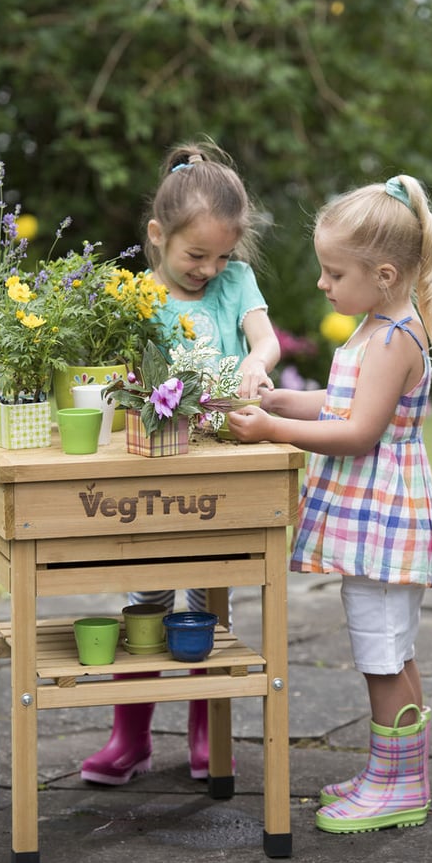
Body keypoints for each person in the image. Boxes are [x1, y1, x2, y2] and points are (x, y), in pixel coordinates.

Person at [227, 174, 432, 834]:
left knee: (381, 655)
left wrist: (273, 432)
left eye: (333, 273)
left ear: (383, 274)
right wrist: (280, 402)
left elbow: (357, 432)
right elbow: (342, 404)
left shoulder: (389, 338)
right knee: (391, 651)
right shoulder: (382, 325)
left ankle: (401, 785)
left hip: (383, 524)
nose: (323, 285)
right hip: (382, 520)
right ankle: (391, 772)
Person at [80, 141, 280, 786]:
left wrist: (257, 361)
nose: (210, 268)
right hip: (156, 463)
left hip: (217, 462)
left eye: (223, 255)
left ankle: (206, 733)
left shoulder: (234, 283)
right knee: (147, 594)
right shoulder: (138, 296)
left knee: (208, 599)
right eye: (197, 255)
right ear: (157, 235)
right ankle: (129, 738)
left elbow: (264, 338)